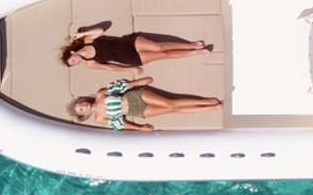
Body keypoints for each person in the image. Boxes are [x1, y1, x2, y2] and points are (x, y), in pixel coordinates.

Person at [69, 77, 222, 131]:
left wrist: (139, 82)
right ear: (85, 115)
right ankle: (210, 108)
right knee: (171, 110)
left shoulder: (100, 95)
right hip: (136, 111)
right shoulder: (99, 119)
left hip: (134, 97)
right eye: (82, 110)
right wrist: (139, 128)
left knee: (170, 103)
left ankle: (206, 101)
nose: (84, 107)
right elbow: (121, 124)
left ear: (84, 100)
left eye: (81, 104)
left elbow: (119, 87)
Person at [60, 25, 209, 73]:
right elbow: (111, 68)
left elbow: (100, 30)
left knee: (158, 47)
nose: (76, 62)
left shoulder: (87, 40)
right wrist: (130, 69)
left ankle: (191, 45)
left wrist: (81, 33)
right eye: (74, 64)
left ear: (72, 52)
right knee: (165, 55)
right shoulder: (90, 63)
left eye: (72, 59)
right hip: (129, 58)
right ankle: (197, 52)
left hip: (128, 44)